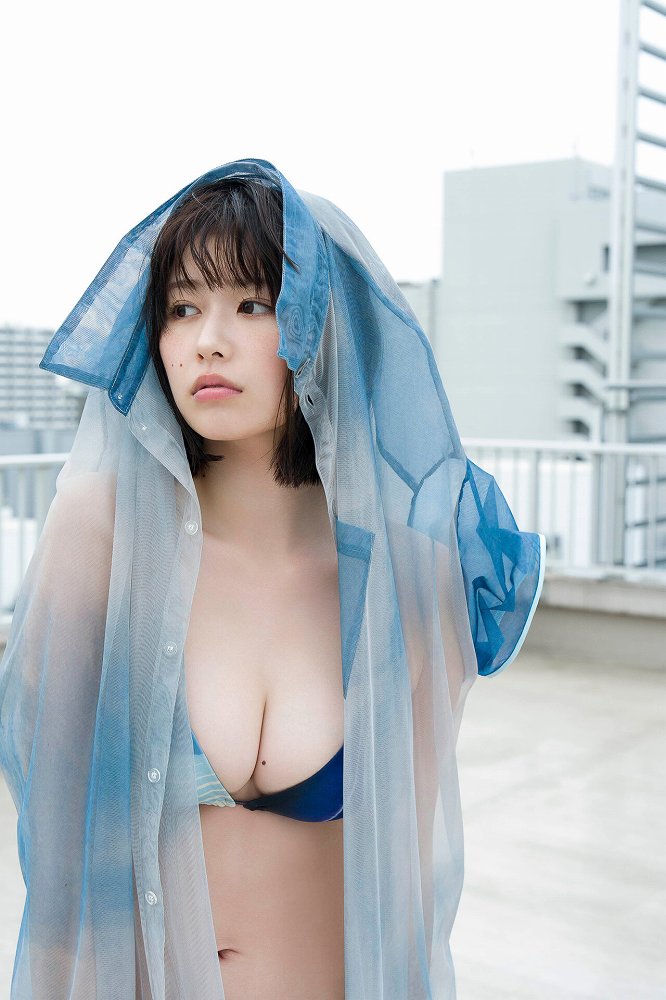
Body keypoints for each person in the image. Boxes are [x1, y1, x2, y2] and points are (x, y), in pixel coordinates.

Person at [0, 157, 546, 1000]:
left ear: (323, 329)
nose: (207, 340)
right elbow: (59, 863)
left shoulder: (414, 572)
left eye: (253, 304)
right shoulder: (102, 536)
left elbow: (405, 891)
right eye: (182, 307)